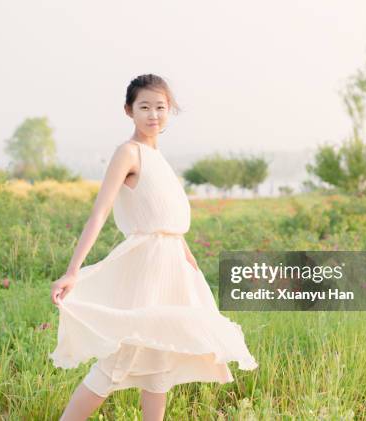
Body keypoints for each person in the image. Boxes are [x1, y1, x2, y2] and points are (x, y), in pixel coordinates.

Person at [49, 74, 258, 421]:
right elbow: (100, 212)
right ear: (129, 110)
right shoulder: (128, 153)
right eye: (144, 107)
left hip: (173, 267)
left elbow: (169, 221)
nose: (153, 115)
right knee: (120, 359)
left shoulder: (159, 158)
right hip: (147, 267)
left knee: (160, 362)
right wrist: (73, 271)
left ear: (169, 111)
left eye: (160, 107)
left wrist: (191, 269)